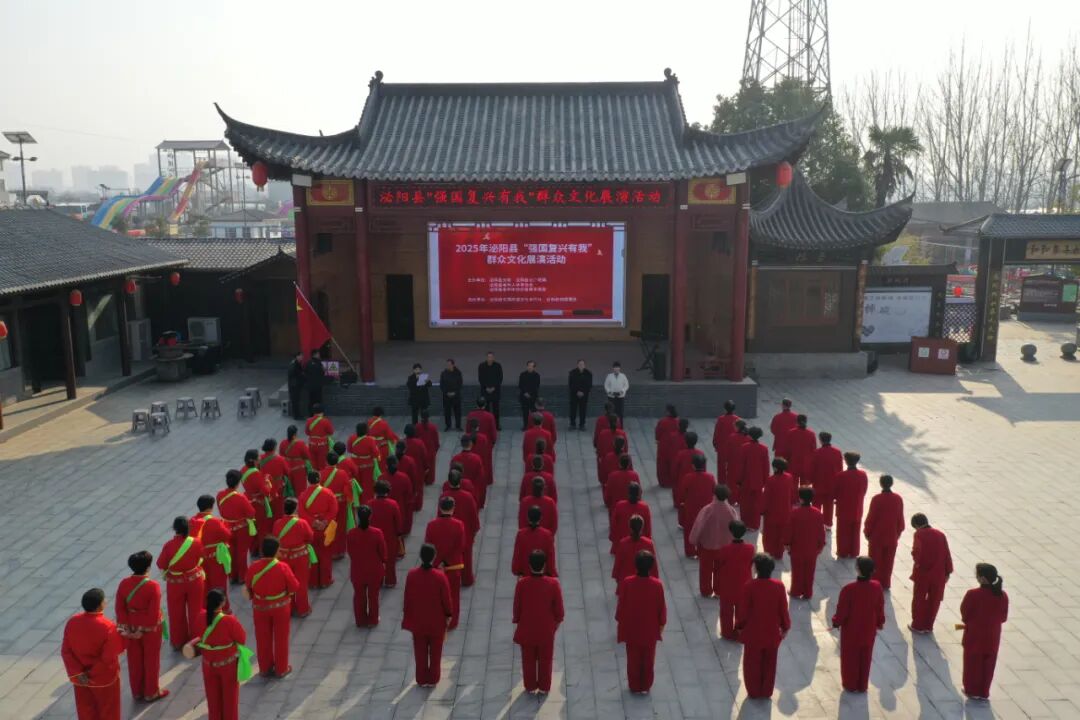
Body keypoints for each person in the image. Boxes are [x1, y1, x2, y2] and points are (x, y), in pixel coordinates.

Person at [735, 553, 791, 700]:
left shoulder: (749, 586)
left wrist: (739, 626)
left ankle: (754, 691)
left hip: (753, 633)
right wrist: (785, 627)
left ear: (757, 568)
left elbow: (743, 612)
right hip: (772, 632)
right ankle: (766, 691)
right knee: (770, 664)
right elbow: (783, 609)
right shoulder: (779, 586)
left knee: (752, 664)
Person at [62, 588, 123, 720]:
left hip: (80, 679)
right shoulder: (108, 626)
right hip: (103, 678)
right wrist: (92, 673)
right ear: (100, 605)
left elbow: (66, 651)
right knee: (108, 711)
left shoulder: (72, 622)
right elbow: (108, 658)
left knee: (86, 711)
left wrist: (78, 673)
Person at [186, 589, 248, 720]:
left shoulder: (200, 617)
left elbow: (198, 635)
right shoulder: (229, 620)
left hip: (208, 665)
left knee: (213, 700)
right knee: (230, 700)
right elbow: (242, 639)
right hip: (228, 665)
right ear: (222, 603)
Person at [115, 552, 167, 703]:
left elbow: (120, 608)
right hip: (150, 631)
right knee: (151, 660)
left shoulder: (124, 583)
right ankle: (151, 692)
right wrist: (143, 629)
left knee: (134, 661)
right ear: (148, 568)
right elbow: (153, 613)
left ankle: (137, 691)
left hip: (131, 627)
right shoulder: (153, 586)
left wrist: (129, 630)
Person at [244, 537, 299, 678]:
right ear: (275, 551)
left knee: (262, 638)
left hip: (260, 608)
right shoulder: (282, 567)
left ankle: (264, 668)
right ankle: (281, 668)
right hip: (280, 608)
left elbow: (248, 585)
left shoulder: (254, 567)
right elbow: (294, 586)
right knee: (281, 638)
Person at [512, 549, 565, 695]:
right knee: (545, 659)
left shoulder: (522, 584)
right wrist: (556, 623)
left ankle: (530, 686)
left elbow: (517, 606)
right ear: (545, 564)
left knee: (528, 659)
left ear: (529, 565)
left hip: (527, 627)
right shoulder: (553, 584)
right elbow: (559, 609)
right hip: (546, 628)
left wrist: (517, 619)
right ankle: (544, 686)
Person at [831, 556, 886, 693]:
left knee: (850, 657)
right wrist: (880, 622)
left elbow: (842, 611)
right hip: (869, 629)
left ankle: (850, 684)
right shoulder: (877, 587)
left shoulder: (848, 589)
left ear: (857, 569)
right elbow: (879, 607)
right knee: (865, 657)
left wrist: (836, 622)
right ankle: (862, 685)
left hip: (852, 630)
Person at [402, 544, 453, 688]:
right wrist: (449, 613)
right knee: (436, 652)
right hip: (436, 621)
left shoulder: (412, 575)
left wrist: (407, 614)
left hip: (418, 620)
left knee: (420, 651)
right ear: (433, 557)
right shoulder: (440, 576)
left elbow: (407, 597)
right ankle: (433, 678)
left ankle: (421, 678)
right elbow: (446, 599)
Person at [616, 551, 666, 694]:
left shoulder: (627, 582)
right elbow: (661, 607)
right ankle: (645, 685)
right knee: (648, 659)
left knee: (633, 659)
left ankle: (634, 685)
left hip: (632, 628)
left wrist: (620, 620)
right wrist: (661, 623)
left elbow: (622, 605)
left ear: (636, 565)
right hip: (650, 629)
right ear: (651, 566)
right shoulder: (657, 585)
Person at [960, 563, 1009, 700]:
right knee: (988, 664)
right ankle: (984, 691)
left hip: (975, 634)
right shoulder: (1002, 595)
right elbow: (1003, 617)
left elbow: (965, 614)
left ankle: (971, 689)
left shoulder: (972, 594)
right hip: (993, 636)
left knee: (972, 662)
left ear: (982, 578)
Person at [157, 516, 206, 651]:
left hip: (175, 583)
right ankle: (196, 640)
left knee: (176, 612)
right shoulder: (196, 542)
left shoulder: (169, 545)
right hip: (194, 580)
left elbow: (161, 564)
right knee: (196, 610)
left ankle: (178, 641)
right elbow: (202, 556)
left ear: (175, 529)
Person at [424, 496, 467, 629]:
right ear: (453, 508)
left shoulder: (431, 525)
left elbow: (428, 545)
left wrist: (439, 561)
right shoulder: (459, 525)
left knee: (436, 595)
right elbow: (461, 546)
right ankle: (452, 621)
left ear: (439, 508)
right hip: (453, 566)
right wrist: (447, 560)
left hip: (436, 565)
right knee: (453, 594)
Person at [690, 485, 738, 597]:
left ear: (714, 495)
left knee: (705, 570)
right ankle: (719, 591)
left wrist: (694, 540)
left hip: (707, 546)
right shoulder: (731, 511)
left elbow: (699, 526)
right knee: (720, 570)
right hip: (724, 546)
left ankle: (706, 590)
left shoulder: (707, 509)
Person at [909, 513, 953, 634]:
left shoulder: (919, 534)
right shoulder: (941, 534)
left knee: (919, 598)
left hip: (923, 573)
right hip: (939, 573)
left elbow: (918, 553)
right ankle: (928, 626)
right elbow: (947, 553)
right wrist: (948, 571)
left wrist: (914, 556)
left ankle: (918, 625)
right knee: (934, 600)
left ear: (916, 525)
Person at [272, 498, 315, 617]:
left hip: (283, 557)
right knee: (301, 583)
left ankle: (290, 608)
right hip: (300, 556)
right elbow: (310, 537)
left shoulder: (277, 523)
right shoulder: (302, 523)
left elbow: (275, 538)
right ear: (295, 509)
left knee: (287, 583)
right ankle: (303, 609)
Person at [190, 496, 233, 612]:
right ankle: (223, 608)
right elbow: (227, 535)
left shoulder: (192, 521)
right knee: (219, 583)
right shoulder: (214, 521)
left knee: (205, 584)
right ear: (211, 507)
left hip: (200, 557)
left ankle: (206, 607)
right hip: (215, 557)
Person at [347, 505, 387, 627]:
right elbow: (383, 553)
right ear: (370, 517)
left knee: (359, 596)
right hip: (374, 570)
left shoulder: (351, 534)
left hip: (358, 570)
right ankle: (373, 620)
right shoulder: (377, 533)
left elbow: (350, 552)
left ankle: (360, 620)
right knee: (373, 596)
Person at [863, 474, 905, 590]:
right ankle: (885, 583)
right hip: (891, 535)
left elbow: (871, 518)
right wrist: (897, 533)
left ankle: (874, 582)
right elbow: (900, 518)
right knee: (888, 562)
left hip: (877, 536)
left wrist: (867, 532)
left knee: (875, 561)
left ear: (881, 484)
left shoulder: (877, 499)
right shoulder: (898, 499)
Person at [714, 521, 755, 640]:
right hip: (743, 584)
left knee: (726, 611)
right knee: (741, 611)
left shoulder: (724, 549)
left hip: (727, 584)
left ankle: (726, 632)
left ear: (731, 532)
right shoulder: (750, 548)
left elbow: (718, 567)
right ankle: (740, 632)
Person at [298, 473, 339, 589]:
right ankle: (326, 580)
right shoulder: (328, 493)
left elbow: (301, 513)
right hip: (325, 528)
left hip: (310, 529)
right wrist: (324, 522)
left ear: (308, 481)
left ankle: (313, 582)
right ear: (320, 479)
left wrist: (314, 522)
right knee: (326, 554)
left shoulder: (303, 495)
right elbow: (334, 509)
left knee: (312, 554)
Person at [217, 470, 256, 584]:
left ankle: (232, 576)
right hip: (241, 529)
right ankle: (242, 576)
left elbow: (220, 509)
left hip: (226, 527)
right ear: (238, 483)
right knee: (242, 553)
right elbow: (251, 513)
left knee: (231, 552)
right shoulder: (241, 497)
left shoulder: (220, 495)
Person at [441, 472, 480, 586]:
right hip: (466, 531)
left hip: (448, 530)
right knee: (466, 556)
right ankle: (467, 579)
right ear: (460, 481)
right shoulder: (468, 496)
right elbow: (473, 515)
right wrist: (475, 529)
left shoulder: (444, 496)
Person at [787, 488, 826, 600]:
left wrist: (786, 543)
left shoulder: (794, 513)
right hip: (812, 548)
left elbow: (789, 530)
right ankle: (808, 592)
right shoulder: (818, 513)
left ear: (800, 498)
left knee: (797, 570)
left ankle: (796, 591)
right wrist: (821, 545)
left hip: (797, 547)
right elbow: (821, 532)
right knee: (810, 571)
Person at [676, 454, 716, 557]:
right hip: (706, 508)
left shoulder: (687, 478)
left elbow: (682, 493)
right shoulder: (710, 477)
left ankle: (690, 551)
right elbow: (714, 491)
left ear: (693, 465)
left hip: (691, 508)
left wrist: (682, 502)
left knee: (690, 528)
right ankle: (703, 549)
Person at [833, 452, 869, 558]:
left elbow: (835, 492)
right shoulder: (863, 475)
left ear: (846, 461)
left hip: (843, 507)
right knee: (855, 531)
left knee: (843, 532)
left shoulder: (840, 476)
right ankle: (854, 551)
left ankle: (842, 551)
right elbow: (864, 490)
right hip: (857, 507)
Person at [369, 481, 404, 586]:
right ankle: (390, 581)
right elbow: (398, 521)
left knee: (376, 560)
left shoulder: (370, 504)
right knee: (390, 561)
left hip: (374, 537)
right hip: (390, 537)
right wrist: (399, 533)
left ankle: (378, 580)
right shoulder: (393, 504)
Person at [761, 457, 796, 560]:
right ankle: (779, 553)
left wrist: (762, 509)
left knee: (770, 534)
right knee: (781, 534)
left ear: (775, 468)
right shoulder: (789, 477)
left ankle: (769, 552)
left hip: (772, 511)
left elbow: (766, 497)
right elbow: (792, 494)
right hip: (785, 510)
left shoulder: (770, 480)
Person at [240, 449, 275, 552]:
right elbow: (266, 491)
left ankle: (253, 549)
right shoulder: (256, 474)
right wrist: (267, 482)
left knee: (253, 526)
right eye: (258, 457)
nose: (260, 459)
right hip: (258, 504)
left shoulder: (243, 469)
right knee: (262, 528)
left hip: (249, 499)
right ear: (254, 460)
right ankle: (262, 550)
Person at [738, 427, 770, 531]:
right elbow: (766, 466)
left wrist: (739, 479)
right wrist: (765, 480)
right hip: (758, 479)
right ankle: (754, 524)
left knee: (745, 502)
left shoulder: (744, 447)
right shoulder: (764, 449)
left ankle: (745, 522)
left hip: (746, 479)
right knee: (756, 503)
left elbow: (741, 465)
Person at [512, 506, 558, 576]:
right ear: (540, 518)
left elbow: (517, 555)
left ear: (528, 517)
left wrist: (516, 570)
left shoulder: (521, 534)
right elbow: (551, 557)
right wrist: (552, 572)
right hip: (542, 574)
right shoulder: (547, 534)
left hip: (525, 573)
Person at [810, 431, 842, 528]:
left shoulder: (816, 453)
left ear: (820, 440)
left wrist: (810, 479)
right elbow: (840, 469)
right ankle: (828, 523)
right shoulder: (837, 452)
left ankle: (816, 522)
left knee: (816, 504)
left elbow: (812, 468)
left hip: (818, 482)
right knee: (829, 504)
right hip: (832, 483)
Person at [613, 515, 659, 582]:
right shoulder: (648, 543)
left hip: (625, 578)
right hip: (644, 580)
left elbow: (618, 563)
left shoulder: (623, 543)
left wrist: (617, 577)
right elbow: (653, 565)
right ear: (642, 527)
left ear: (630, 527)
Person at [610, 482, 651, 553]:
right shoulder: (644, 507)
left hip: (621, 545)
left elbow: (614, 526)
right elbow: (648, 529)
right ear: (639, 494)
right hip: (640, 546)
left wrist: (614, 539)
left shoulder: (620, 506)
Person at [671, 430, 706, 507]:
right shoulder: (700, 453)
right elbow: (704, 469)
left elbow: (675, 469)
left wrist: (674, 479)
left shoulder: (680, 454)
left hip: (682, 479)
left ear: (685, 442)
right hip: (697, 479)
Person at [452, 434, 488, 508]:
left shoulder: (455, 458)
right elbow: (481, 479)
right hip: (473, 490)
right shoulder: (476, 459)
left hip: (459, 487)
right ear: (471, 444)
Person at [258, 439, 291, 514]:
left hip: (265, 487)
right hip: (278, 487)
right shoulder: (280, 459)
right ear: (274, 447)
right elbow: (287, 472)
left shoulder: (259, 459)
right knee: (279, 508)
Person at [712, 400, 740, 486]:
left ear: (725, 409)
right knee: (733, 465)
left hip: (722, 447)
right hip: (734, 447)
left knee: (721, 467)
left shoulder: (721, 419)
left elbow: (717, 433)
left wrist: (715, 444)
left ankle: (722, 483)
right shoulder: (737, 419)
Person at [385, 456, 416, 534]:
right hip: (401, 507)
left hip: (386, 509)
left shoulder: (381, 478)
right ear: (397, 464)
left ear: (386, 465)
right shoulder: (404, 478)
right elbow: (409, 495)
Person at [279, 425, 312, 497]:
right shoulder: (300, 443)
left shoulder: (282, 443)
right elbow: (307, 456)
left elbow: (281, 455)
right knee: (300, 489)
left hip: (287, 469)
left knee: (290, 488)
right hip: (299, 470)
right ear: (295, 434)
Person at [784, 415, 817, 486]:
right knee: (804, 486)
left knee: (793, 485)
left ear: (797, 422)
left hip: (793, 462)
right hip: (806, 463)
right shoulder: (811, 434)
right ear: (806, 422)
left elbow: (787, 449)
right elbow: (814, 450)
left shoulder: (791, 433)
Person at [722, 420, 750, 502]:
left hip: (733, 463)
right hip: (744, 464)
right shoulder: (748, 438)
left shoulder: (731, 437)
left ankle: (733, 499)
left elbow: (727, 451)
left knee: (732, 483)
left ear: (737, 427)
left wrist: (726, 461)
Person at [478, 351, 504, 429]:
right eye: (488, 357)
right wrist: (486, 387)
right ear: (486, 357)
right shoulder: (481, 366)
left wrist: (493, 388)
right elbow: (480, 378)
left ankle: (496, 425)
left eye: (491, 357)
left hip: (495, 391)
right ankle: (487, 425)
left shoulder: (498, 366)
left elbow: (500, 378)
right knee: (486, 410)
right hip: (485, 391)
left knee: (496, 409)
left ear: (493, 358)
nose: (490, 358)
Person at [305, 403, 335, 471]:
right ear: (322, 412)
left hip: (312, 444)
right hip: (322, 445)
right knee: (322, 465)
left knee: (313, 464)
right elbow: (331, 432)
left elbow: (307, 432)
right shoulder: (326, 421)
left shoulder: (309, 420)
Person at [567, 359, 593, 430]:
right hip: (574, 395)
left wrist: (583, 392)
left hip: (584, 395)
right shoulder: (572, 373)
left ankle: (582, 424)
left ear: (585, 365)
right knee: (573, 410)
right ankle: (572, 424)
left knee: (583, 410)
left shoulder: (588, 373)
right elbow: (570, 384)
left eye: (582, 364)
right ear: (577, 365)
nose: (581, 365)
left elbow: (589, 385)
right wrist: (577, 392)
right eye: (580, 364)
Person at [439, 358, 464, 430]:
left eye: (450, 365)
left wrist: (455, 392)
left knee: (457, 412)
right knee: (447, 412)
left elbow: (460, 384)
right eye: (447, 365)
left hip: (456, 396)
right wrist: (446, 392)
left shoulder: (458, 373)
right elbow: (442, 385)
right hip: (446, 396)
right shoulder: (443, 373)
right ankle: (448, 426)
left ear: (453, 365)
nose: (448, 366)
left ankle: (458, 426)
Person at [518, 360, 541, 430]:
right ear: (527, 366)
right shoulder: (522, 374)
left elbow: (536, 386)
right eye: (529, 366)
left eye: (531, 366)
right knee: (525, 413)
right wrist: (525, 392)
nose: (530, 367)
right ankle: (525, 426)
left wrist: (530, 394)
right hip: (524, 396)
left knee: (534, 413)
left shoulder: (537, 375)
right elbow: (520, 385)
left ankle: (535, 426)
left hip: (533, 397)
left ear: (534, 367)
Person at [304, 350, 326, 414]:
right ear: (315, 354)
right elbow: (322, 372)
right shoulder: (319, 363)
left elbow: (305, 372)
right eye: (318, 354)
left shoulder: (308, 363)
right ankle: (318, 414)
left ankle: (311, 414)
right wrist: (323, 370)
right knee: (318, 400)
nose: (319, 355)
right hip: (317, 385)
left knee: (311, 400)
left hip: (310, 386)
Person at [287, 351, 305, 421]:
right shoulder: (294, 364)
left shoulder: (297, 363)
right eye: (301, 356)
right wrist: (301, 374)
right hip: (294, 386)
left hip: (296, 385)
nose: (302, 357)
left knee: (296, 401)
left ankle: (297, 414)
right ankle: (296, 415)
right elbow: (293, 374)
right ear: (297, 356)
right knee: (295, 401)